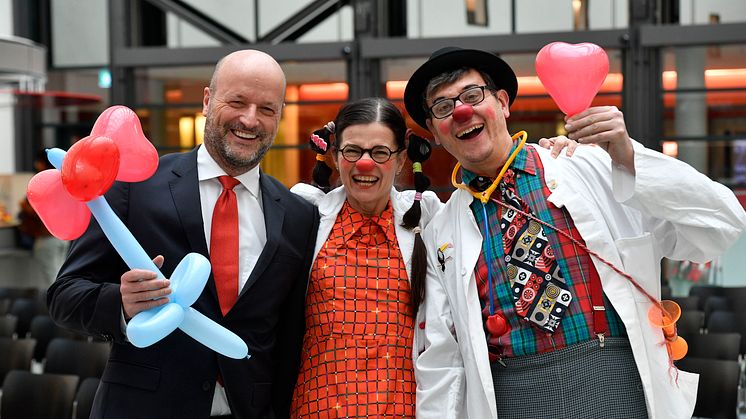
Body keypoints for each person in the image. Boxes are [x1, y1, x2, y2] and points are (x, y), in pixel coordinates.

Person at [403, 46, 746, 419]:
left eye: (472, 96)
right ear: (435, 133)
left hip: (614, 383)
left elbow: (721, 223)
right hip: (512, 399)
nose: (461, 112)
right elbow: (443, 357)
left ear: (502, 102)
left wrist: (629, 157)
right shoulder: (441, 230)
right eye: (442, 107)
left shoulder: (589, 166)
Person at [47, 50, 320, 419]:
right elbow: (65, 296)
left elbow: (289, 337)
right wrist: (123, 304)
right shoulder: (132, 187)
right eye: (237, 101)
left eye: (267, 109)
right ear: (208, 101)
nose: (250, 119)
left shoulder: (298, 214)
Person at [288, 97, 442, 417]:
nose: (364, 164)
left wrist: (564, 150)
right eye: (352, 151)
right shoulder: (303, 219)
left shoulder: (431, 220)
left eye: (380, 152)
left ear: (401, 159)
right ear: (335, 154)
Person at [18, 151, 70, 286]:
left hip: (47, 238)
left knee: (53, 277)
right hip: (63, 237)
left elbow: (37, 211)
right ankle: (65, 304)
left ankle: (60, 305)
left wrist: (24, 206)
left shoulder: (43, 183)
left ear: (42, 163)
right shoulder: (63, 180)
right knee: (61, 274)